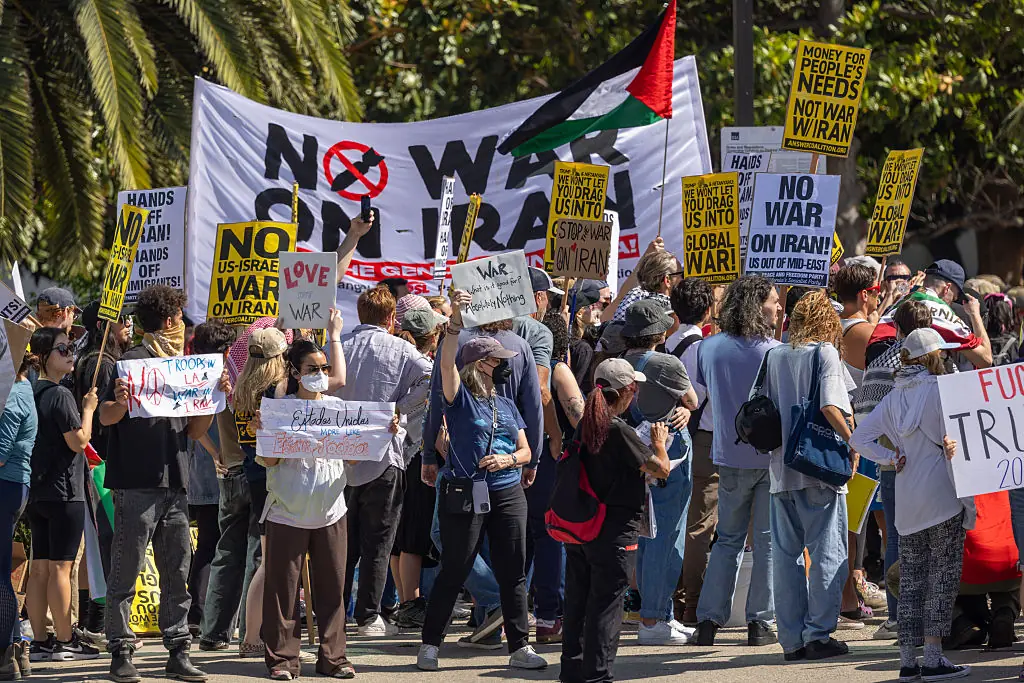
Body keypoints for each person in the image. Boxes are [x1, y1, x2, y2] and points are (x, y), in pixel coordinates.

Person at [98, 285, 227, 683]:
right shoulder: (129, 363)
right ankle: (121, 651)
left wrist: (210, 398)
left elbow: (193, 429)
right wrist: (119, 401)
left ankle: (177, 649)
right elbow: (104, 417)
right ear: (170, 321)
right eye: (180, 321)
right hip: (137, 484)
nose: (183, 329)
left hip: (176, 481)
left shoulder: (183, 368)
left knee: (177, 569)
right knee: (127, 569)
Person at [417, 292, 545, 672]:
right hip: (465, 491)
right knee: (456, 566)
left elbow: (524, 450)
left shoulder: (505, 405)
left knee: (513, 570)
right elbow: (446, 365)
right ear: (480, 364)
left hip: (507, 490)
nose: (505, 366)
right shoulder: (459, 399)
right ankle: (430, 644)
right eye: (497, 361)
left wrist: (512, 459)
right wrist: (455, 321)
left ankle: (520, 646)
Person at [851, 327, 973, 682]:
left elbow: (859, 437)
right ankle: (933, 658)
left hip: (907, 503)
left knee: (912, 580)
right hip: (943, 498)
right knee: (941, 579)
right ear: (933, 357)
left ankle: (908, 661)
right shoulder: (943, 391)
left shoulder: (892, 398)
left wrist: (890, 455)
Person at [755, 290, 856, 661]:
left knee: (786, 559)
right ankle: (818, 634)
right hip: (819, 466)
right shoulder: (824, 353)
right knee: (828, 551)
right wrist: (854, 441)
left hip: (781, 469)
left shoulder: (773, 354)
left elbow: (760, 407)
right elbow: (832, 405)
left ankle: (792, 639)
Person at [560, 358, 671, 683]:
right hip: (614, 534)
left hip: (581, 528)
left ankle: (573, 671)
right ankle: (598, 676)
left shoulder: (587, 424)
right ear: (625, 392)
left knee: (578, 602)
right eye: (633, 389)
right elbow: (660, 468)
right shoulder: (618, 429)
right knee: (606, 609)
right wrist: (660, 444)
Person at [251, 339, 354, 681]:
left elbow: (354, 454)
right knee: (282, 592)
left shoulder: (339, 408)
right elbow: (269, 460)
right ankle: (282, 660)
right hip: (287, 510)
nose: (321, 375)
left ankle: (334, 658)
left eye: (324, 369)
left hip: (330, 511)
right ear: (294, 372)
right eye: (313, 369)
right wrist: (263, 433)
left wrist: (383, 432)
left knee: (333, 589)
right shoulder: (278, 410)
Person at [333, 287, 431, 637]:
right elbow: (431, 377)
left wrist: (399, 407)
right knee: (378, 540)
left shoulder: (339, 346)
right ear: (392, 319)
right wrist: (401, 407)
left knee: (343, 541)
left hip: (341, 456)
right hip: (382, 455)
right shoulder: (402, 349)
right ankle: (368, 615)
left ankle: (338, 611)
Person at [690, 276, 781, 646]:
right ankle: (760, 621)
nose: (778, 307)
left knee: (726, 539)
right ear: (758, 304)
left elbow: (698, 396)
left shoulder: (707, 348)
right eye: (773, 301)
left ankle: (709, 620)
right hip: (767, 456)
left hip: (727, 455)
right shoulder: (775, 351)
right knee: (766, 541)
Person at [853, 300, 934, 640]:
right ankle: (931, 617)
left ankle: (901, 617)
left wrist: (887, 456)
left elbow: (862, 416)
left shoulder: (880, 363)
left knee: (897, 540)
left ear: (897, 329)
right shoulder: (940, 366)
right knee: (934, 539)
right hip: (932, 466)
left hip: (895, 467)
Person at [618, 300, 698, 645]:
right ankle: (654, 618)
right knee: (666, 535)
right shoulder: (667, 363)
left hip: (632, 451)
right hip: (667, 450)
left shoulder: (616, 361)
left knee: (647, 535)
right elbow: (691, 400)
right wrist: (684, 410)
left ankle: (655, 613)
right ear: (659, 332)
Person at [24, 327, 99, 662]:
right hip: (64, 492)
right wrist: (89, 408)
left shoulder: (31, 392)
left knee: (39, 567)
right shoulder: (60, 395)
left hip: (38, 493)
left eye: (70, 348)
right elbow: (80, 441)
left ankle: (40, 640)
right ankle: (65, 640)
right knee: (60, 568)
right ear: (43, 358)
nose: (70, 353)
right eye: (62, 349)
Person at [229, 328, 290, 659]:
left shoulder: (242, 387)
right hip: (271, 474)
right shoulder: (273, 390)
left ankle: (255, 634)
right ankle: (252, 636)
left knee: (269, 560)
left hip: (254, 474)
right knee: (270, 562)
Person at [526, 308, 585, 644]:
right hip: (548, 461)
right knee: (549, 536)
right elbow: (578, 416)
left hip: (514, 456)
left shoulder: (511, 361)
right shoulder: (557, 369)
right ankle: (549, 617)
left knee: (516, 537)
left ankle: (502, 614)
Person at [392, 307, 448, 630]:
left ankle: (405, 601)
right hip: (417, 457)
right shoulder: (425, 368)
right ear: (433, 336)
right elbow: (431, 419)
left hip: (398, 456)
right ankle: (410, 603)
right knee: (413, 534)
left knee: (401, 536)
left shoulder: (399, 361)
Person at [667, 277, 717, 626]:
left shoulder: (665, 342)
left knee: (673, 521)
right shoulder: (701, 348)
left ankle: (670, 598)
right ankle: (691, 604)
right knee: (700, 523)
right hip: (696, 438)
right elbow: (699, 397)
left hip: (665, 438)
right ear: (708, 309)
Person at [185, 320, 237, 634]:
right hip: (218, 465)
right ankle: (203, 612)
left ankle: (197, 611)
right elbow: (199, 425)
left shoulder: (190, 372)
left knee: (207, 543)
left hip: (201, 467)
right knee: (217, 543)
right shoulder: (222, 374)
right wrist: (216, 452)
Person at [0, 345, 38, 679]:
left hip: (6, 484)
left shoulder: (13, 393)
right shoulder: (20, 387)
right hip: (14, 486)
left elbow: (1, 451)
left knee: (0, 575)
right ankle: (16, 648)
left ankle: (8, 653)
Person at [604, 238, 680, 329]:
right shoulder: (671, 312)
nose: (683, 279)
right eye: (681, 274)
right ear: (667, 280)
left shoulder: (634, 297)